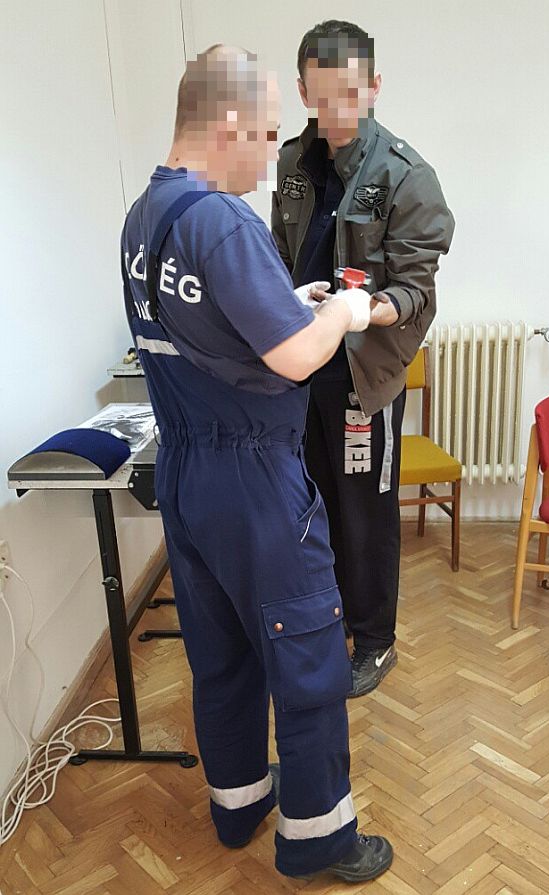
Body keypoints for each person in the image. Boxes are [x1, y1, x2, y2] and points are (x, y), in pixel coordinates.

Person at [120, 44, 393, 882]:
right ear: (228, 122)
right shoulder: (222, 219)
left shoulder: (146, 216)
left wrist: (287, 304)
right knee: (307, 660)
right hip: (255, 483)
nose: (273, 153)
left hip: (187, 477)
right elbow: (296, 359)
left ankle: (238, 803)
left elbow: (213, 327)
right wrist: (344, 311)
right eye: (269, 133)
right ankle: (320, 841)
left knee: (223, 654)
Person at [272, 21, 455, 697]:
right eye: (322, 96)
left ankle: (375, 642)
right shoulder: (295, 163)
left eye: (350, 93)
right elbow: (280, 252)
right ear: (303, 92)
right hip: (299, 369)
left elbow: (415, 291)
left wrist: (360, 310)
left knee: (365, 515)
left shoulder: (406, 176)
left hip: (360, 380)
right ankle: (331, 621)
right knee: (313, 505)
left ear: (374, 85)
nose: (337, 110)